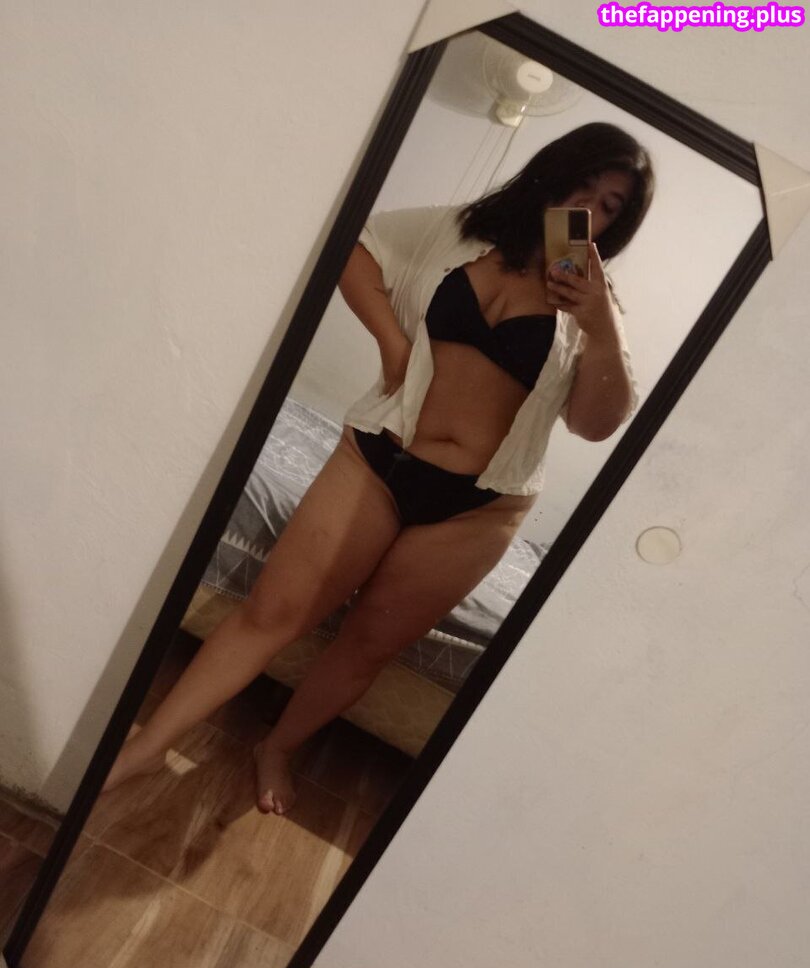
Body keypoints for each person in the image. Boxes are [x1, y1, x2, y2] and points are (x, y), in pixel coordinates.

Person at [102, 122, 654, 814]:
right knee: (273, 611)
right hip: (377, 458)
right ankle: (147, 748)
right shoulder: (459, 231)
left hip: (478, 509)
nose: (586, 209)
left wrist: (601, 327)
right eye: (582, 186)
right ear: (553, 172)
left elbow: (596, 423)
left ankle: (277, 747)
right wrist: (392, 342)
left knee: (365, 646)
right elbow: (355, 244)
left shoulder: (597, 311)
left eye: (607, 205)